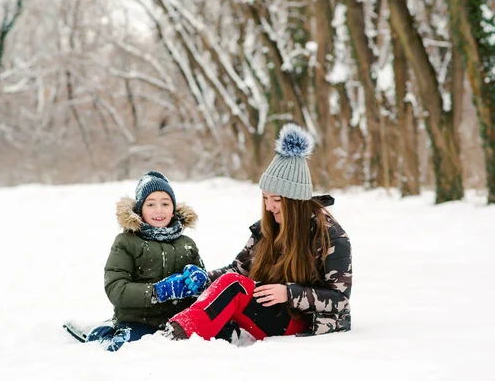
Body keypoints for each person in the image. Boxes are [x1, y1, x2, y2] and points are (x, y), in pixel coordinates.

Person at [166, 123, 352, 341]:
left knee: (233, 287)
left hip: (306, 322)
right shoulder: (267, 227)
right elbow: (238, 270)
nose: (269, 206)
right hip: (271, 312)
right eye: (265, 197)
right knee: (226, 286)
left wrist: (289, 293)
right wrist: (203, 279)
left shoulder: (330, 237)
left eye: (276, 200)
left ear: (296, 202)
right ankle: (177, 330)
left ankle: (177, 337)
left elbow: (340, 300)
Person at [83, 171, 208, 351]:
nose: (159, 210)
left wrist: (200, 282)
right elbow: (116, 288)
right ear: (140, 209)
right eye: (151, 204)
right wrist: (157, 292)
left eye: (165, 203)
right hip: (138, 320)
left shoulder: (187, 244)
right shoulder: (126, 242)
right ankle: (104, 334)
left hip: (177, 322)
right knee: (126, 347)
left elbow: (205, 290)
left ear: (173, 209)